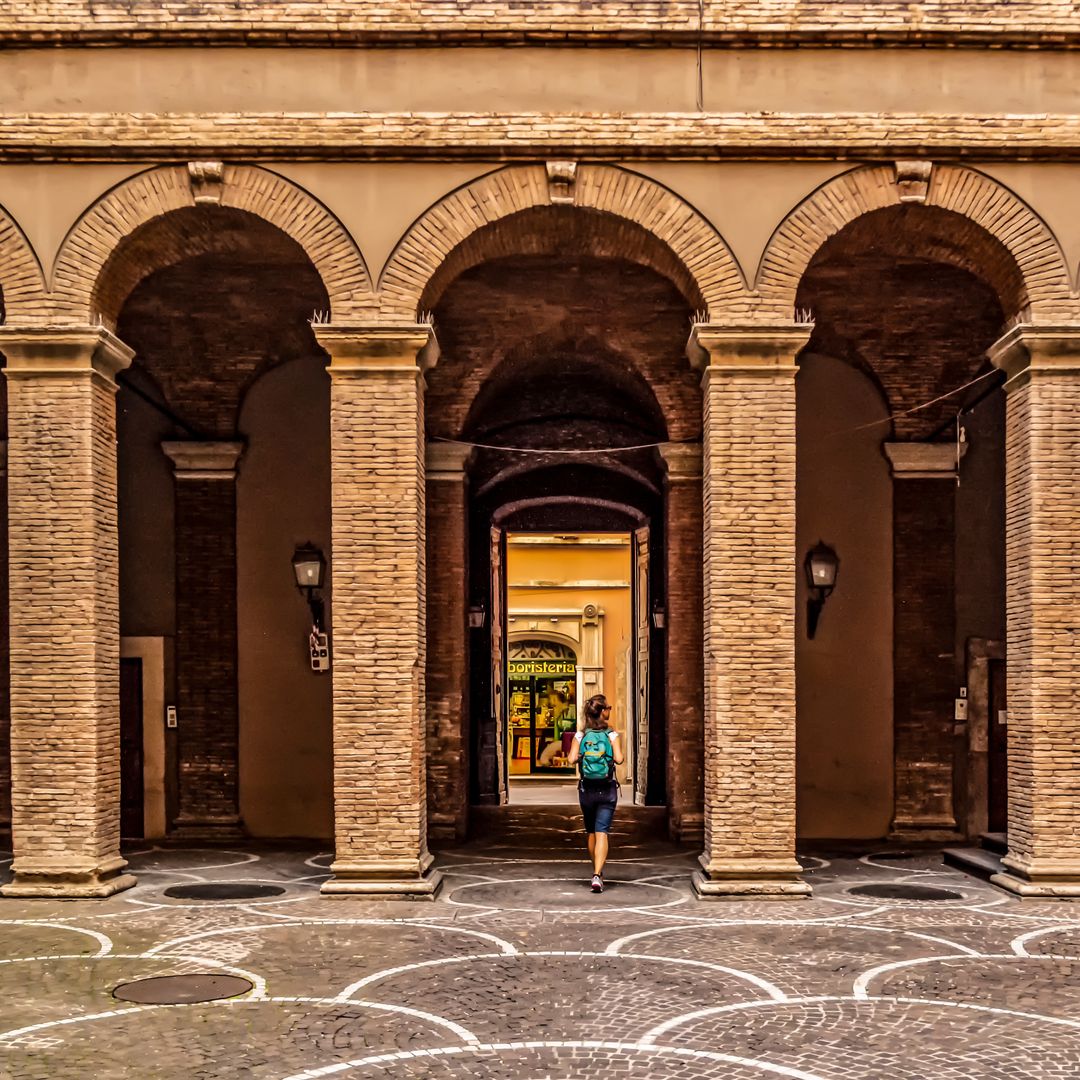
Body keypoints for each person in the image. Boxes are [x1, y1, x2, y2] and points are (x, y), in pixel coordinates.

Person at [568, 693, 623, 893]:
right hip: (607, 789)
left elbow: (571, 759)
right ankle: (597, 874)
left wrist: (584, 755)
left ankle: (596, 871)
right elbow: (619, 759)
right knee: (602, 832)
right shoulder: (612, 734)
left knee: (591, 831)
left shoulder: (580, 735)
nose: (609, 711)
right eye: (607, 707)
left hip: (587, 789)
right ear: (601, 711)